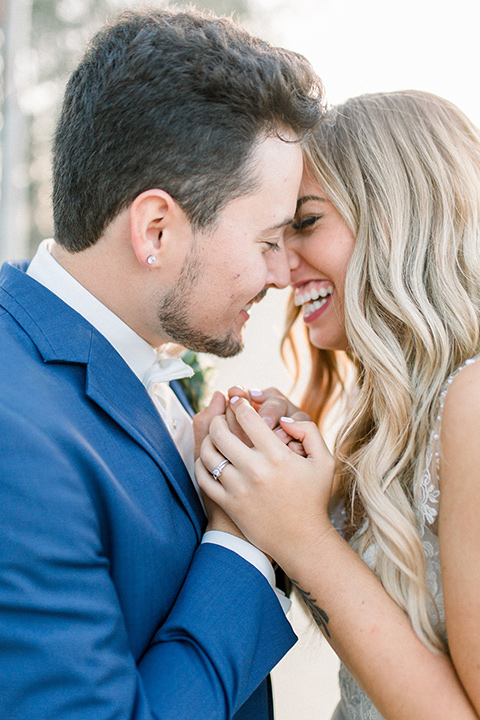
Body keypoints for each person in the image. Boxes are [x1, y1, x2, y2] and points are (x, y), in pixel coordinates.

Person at [0, 7, 324, 719]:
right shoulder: (14, 433)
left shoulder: (122, 349)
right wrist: (244, 542)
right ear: (155, 230)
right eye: (269, 239)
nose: (281, 274)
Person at [196, 90, 480, 719]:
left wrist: (304, 537)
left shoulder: (475, 401)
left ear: (397, 219)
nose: (280, 265)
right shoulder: (392, 416)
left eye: (305, 224)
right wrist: (285, 489)